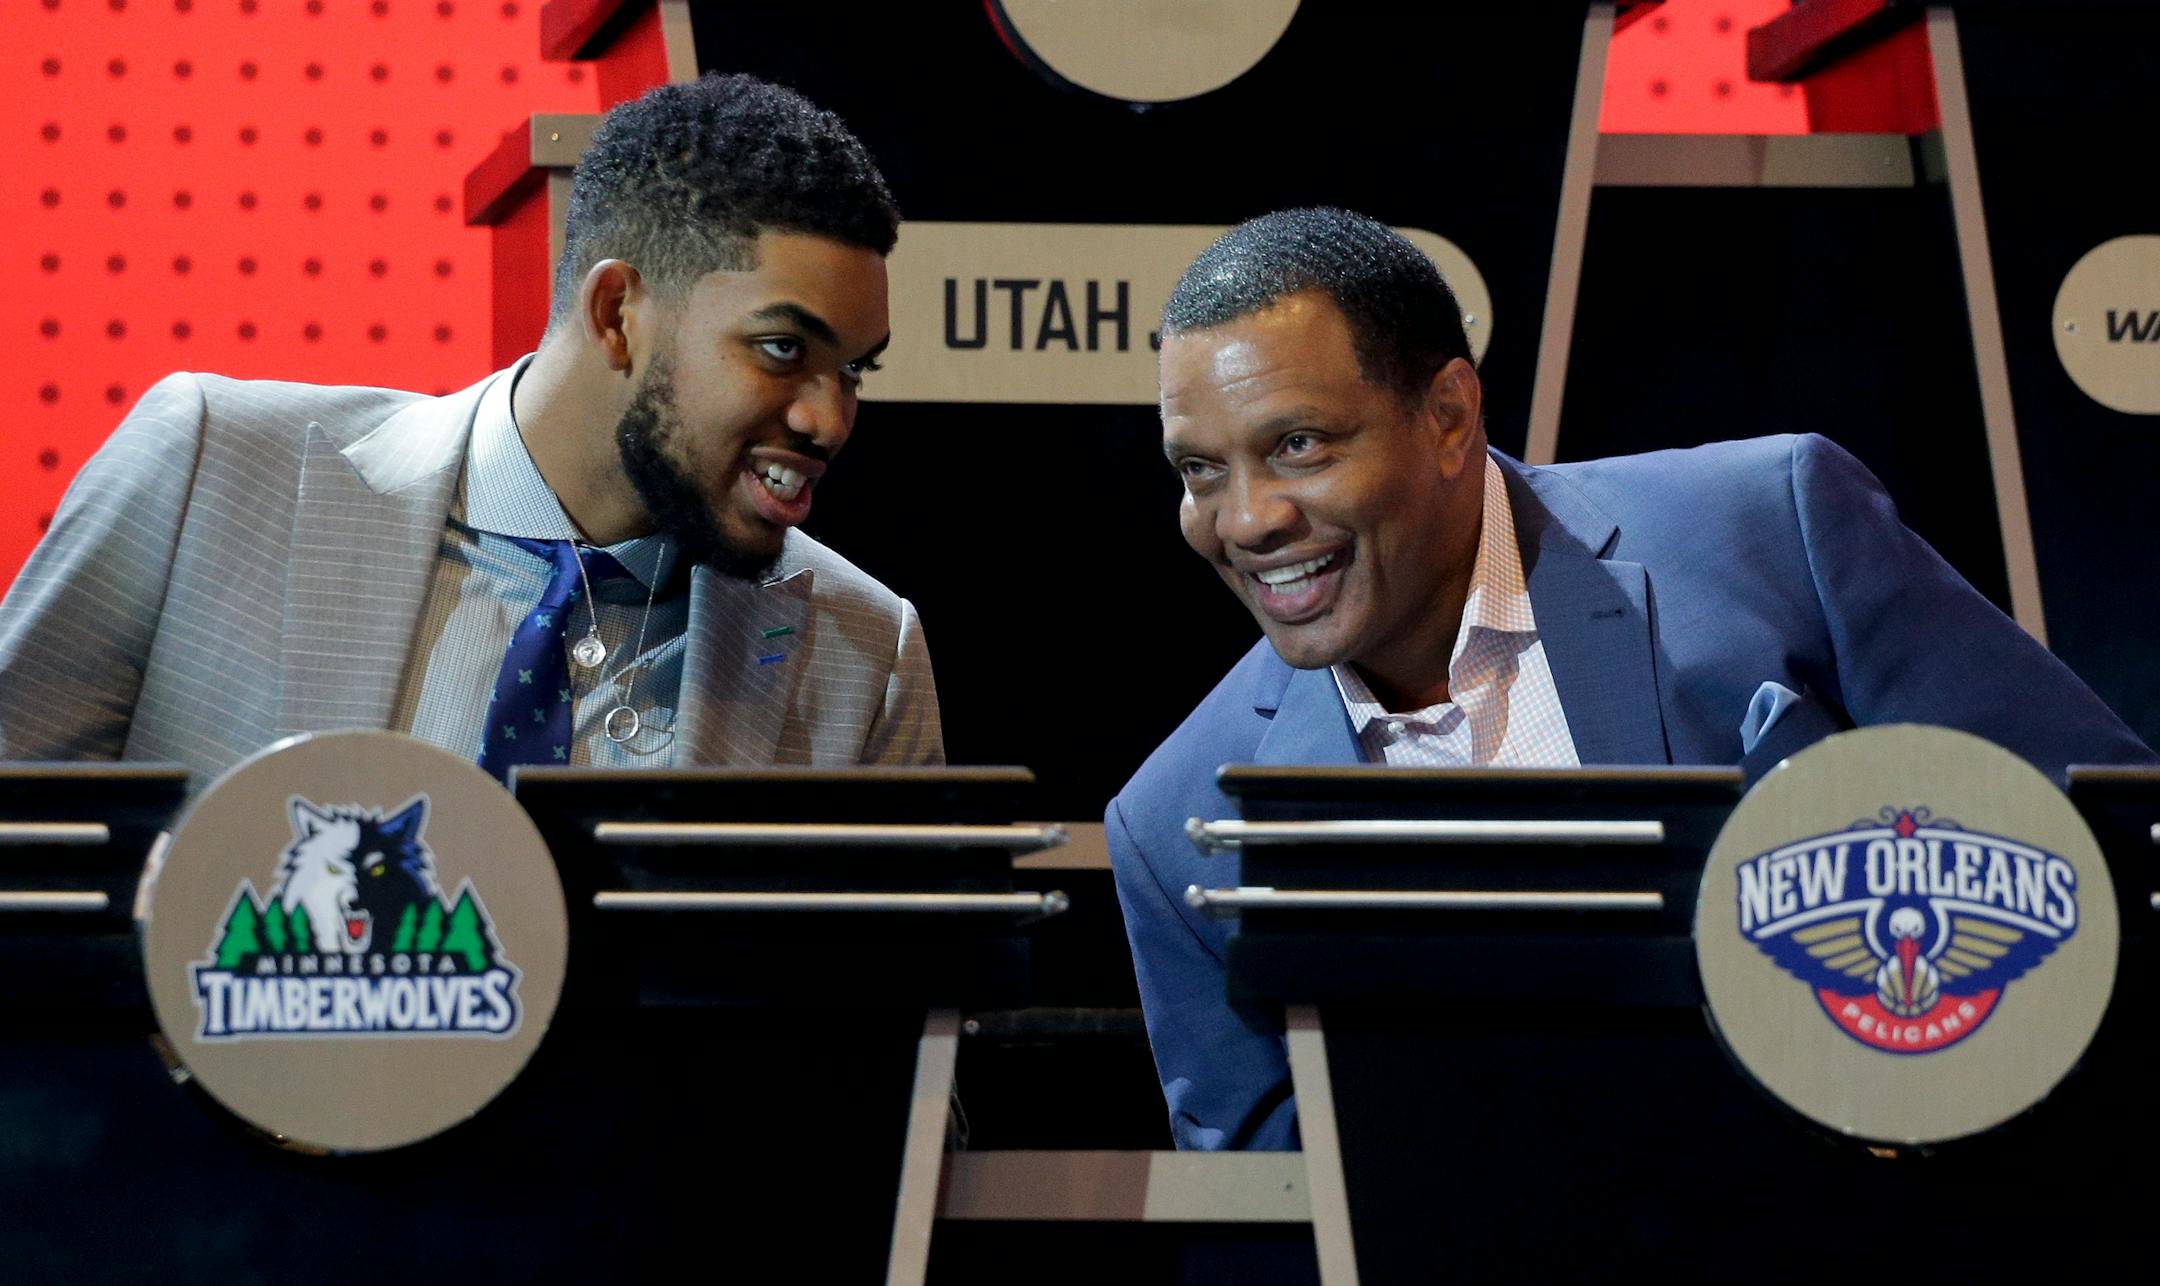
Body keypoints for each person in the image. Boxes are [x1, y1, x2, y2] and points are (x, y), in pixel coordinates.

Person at [1107, 206, 2156, 1151]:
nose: (1244, 519)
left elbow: (2107, 848)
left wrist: (1918, 1085)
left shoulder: (1771, 528)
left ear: (1449, 417)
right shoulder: (1179, 823)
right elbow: (1275, 1218)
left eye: (1297, 444)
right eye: (1200, 468)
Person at [0, 74, 940, 787]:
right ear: (617, 313)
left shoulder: (868, 651)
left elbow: (867, 1028)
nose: (828, 417)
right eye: (781, 349)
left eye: (854, 368)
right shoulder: (211, 469)